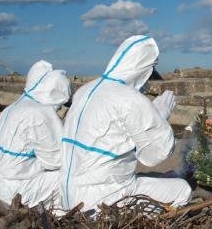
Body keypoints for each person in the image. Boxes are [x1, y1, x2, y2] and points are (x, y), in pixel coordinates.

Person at [60, 35, 191, 212]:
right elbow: (155, 155)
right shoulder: (130, 98)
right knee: (183, 189)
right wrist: (160, 116)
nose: (146, 83)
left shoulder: (85, 90)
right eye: (147, 76)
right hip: (103, 199)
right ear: (142, 70)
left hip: (68, 196)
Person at [0, 60, 71, 208]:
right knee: (72, 178)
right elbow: (57, 161)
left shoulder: (12, 108)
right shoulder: (39, 112)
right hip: (17, 191)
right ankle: (57, 220)